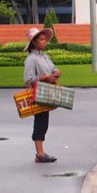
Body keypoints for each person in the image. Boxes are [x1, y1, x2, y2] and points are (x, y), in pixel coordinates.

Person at [23, 27, 60, 163]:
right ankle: (39, 153)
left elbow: (53, 67)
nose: (45, 42)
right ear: (34, 42)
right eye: (42, 40)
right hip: (37, 94)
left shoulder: (44, 56)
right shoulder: (31, 59)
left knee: (44, 122)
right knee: (40, 122)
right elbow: (28, 79)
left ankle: (40, 152)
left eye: (45, 39)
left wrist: (56, 73)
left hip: (46, 93)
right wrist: (45, 78)